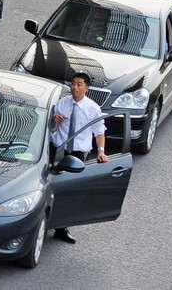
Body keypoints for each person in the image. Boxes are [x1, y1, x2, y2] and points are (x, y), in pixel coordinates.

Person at [50, 72, 109, 243]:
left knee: (70, 190)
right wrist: (54, 120)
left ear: (87, 88)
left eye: (79, 84)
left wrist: (101, 151)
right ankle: (48, 218)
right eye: (73, 83)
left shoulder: (92, 108)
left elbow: (99, 131)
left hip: (77, 153)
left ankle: (62, 227)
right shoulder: (62, 103)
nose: (75, 87)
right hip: (59, 148)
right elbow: (51, 125)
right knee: (52, 184)